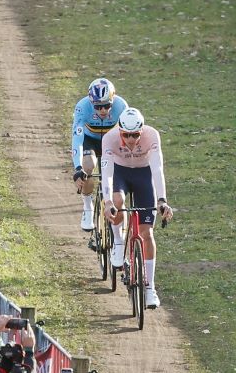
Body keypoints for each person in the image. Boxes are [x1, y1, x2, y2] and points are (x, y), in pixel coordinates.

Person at [99, 106, 173, 307]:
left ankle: (150, 288)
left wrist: (162, 200)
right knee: (117, 202)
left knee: (147, 234)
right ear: (120, 131)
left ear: (142, 130)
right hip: (120, 173)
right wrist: (107, 203)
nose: (131, 140)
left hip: (143, 175)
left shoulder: (152, 136)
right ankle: (119, 242)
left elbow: (157, 169)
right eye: (127, 135)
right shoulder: (109, 138)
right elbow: (107, 172)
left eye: (135, 135)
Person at [70, 76, 131, 235]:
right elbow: (77, 139)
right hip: (91, 140)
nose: (102, 110)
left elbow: (128, 137)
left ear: (113, 100)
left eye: (106, 106)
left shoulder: (122, 106)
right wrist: (78, 167)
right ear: (91, 103)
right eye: (98, 107)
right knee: (88, 165)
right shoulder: (82, 107)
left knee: (111, 175)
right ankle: (88, 206)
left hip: (111, 140)